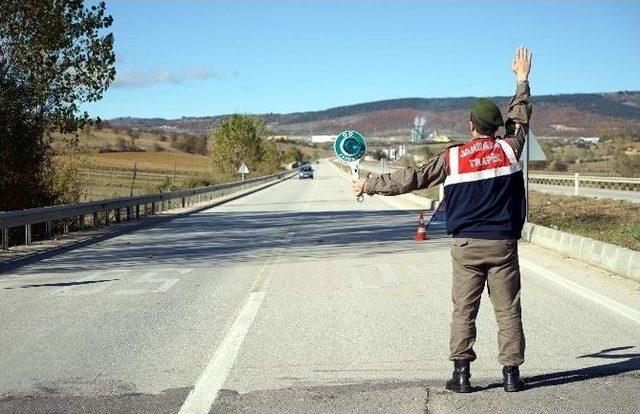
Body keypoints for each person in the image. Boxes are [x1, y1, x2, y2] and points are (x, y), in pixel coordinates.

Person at [353, 46, 533, 393]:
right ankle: (511, 376)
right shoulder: (510, 148)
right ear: (498, 128)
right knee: (508, 310)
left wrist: (369, 184)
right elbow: (520, 119)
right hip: (503, 245)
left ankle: (462, 376)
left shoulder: (452, 158)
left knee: (463, 310)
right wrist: (522, 80)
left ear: (470, 126)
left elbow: (410, 179)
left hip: (466, 246)